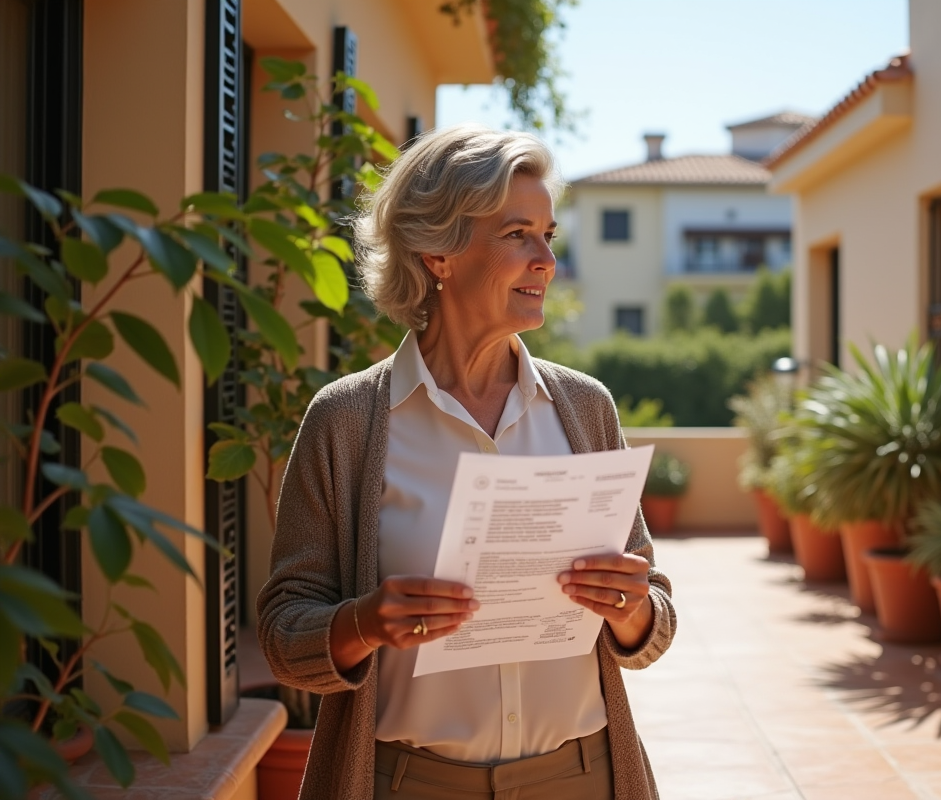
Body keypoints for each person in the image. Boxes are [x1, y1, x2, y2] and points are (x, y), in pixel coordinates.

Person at [257, 123, 677, 800]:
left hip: (582, 779)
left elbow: (654, 611)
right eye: (518, 234)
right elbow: (283, 635)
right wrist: (365, 623)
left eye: (549, 235)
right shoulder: (346, 422)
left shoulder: (584, 408)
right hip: (409, 784)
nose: (546, 259)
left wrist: (630, 610)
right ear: (437, 254)